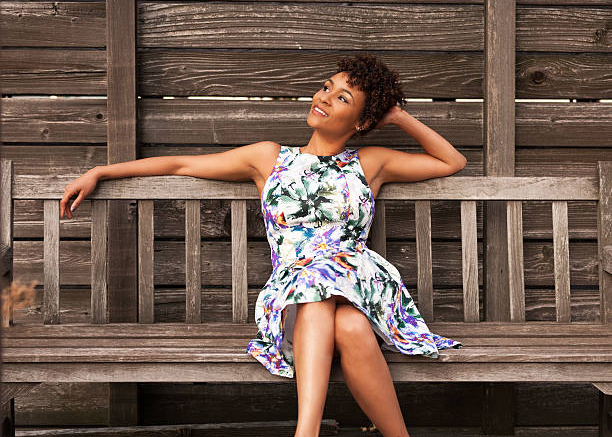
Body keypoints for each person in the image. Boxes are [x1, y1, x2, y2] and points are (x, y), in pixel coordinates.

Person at [60, 53, 467, 437]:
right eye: (326, 87)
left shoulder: (370, 163)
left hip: (358, 284)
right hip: (296, 291)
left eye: (342, 97)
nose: (324, 97)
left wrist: (397, 116)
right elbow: (179, 163)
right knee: (346, 322)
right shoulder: (269, 158)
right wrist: (102, 170)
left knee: (338, 299)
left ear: (361, 121)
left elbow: (451, 162)